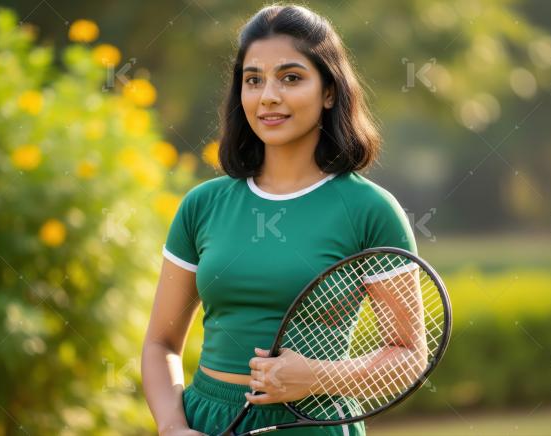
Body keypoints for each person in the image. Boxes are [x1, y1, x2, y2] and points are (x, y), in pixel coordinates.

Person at [141, 4, 417, 435]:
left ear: (329, 91)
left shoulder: (370, 210)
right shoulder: (202, 205)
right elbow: (161, 343)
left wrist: (317, 377)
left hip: (314, 423)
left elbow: (408, 355)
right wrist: (173, 426)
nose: (268, 95)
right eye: (254, 80)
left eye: (291, 78)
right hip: (207, 420)